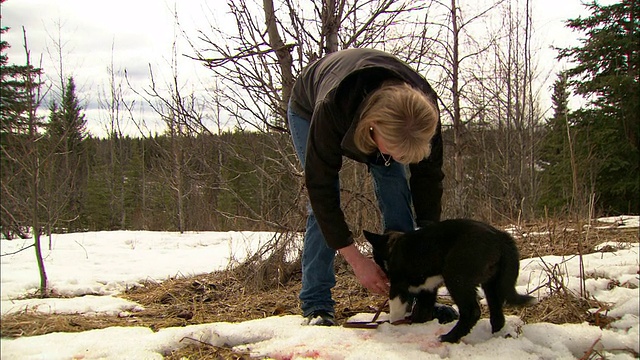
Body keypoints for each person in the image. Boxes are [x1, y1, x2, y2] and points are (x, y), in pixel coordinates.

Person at [287, 48, 457, 326]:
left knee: (395, 182)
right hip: (310, 106)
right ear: (372, 127)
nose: (396, 158)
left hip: (375, 112)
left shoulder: (424, 116)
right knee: (319, 209)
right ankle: (316, 302)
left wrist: (425, 243)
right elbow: (321, 191)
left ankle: (412, 295)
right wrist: (357, 261)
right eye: (393, 150)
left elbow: (428, 180)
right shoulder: (332, 107)